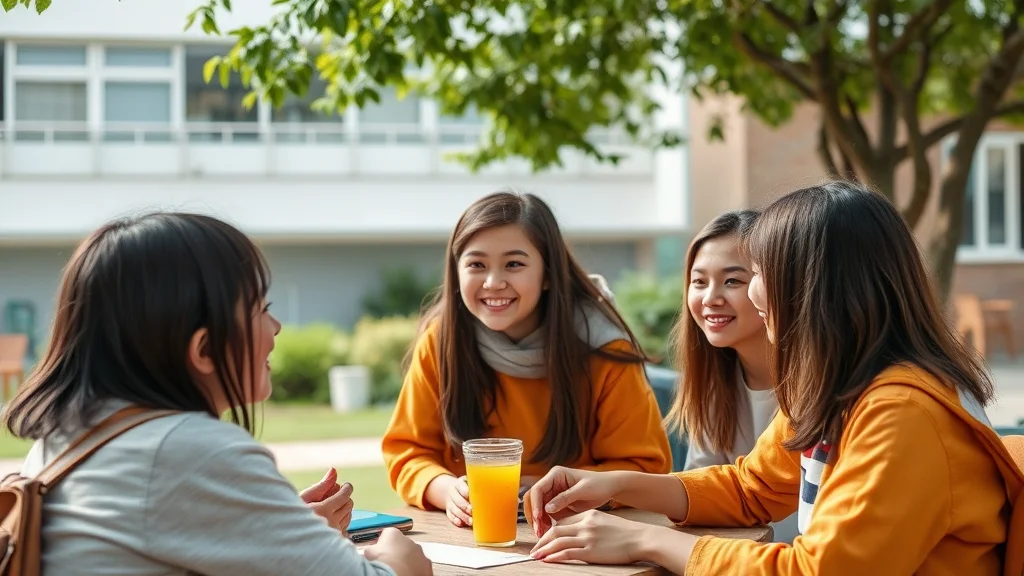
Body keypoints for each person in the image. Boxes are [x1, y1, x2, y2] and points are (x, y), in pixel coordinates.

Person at [525, 181, 1024, 574]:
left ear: (816, 290)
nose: (753, 293)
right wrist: (615, 484)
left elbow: (818, 572)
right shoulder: (841, 385)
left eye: (756, 272)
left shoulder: (903, 414)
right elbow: (752, 488)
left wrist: (646, 539)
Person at [7, 212, 432, 576]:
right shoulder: (187, 448)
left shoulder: (69, 436)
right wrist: (400, 560)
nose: (276, 327)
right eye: (262, 309)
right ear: (205, 349)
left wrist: (277, 524)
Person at [381, 190, 672, 527]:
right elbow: (407, 451)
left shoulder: (604, 349)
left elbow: (645, 467)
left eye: (514, 264)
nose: (493, 282)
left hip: (579, 533)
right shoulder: (441, 340)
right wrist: (445, 489)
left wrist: (557, 489)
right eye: (476, 264)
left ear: (549, 274)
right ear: (456, 272)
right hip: (468, 535)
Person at [665, 209, 797, 542]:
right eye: (699, 282)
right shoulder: (712, 385)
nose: (710, 298)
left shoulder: (818, 386)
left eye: (733, 281)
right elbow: (702, 495)